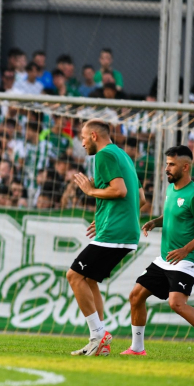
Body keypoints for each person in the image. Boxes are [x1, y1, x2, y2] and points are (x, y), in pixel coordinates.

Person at [124, 146, 194, 360]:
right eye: (166, 164)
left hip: (186, 260)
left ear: (185, 166)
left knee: (176, 303)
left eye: (171, 164)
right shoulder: (172, 189)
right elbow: (173, 214)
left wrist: (185, 249)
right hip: (165, 259)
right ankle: (136, 347)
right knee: (136, 296)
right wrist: (156, 222)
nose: (166, 169)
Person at [67, 120, 142, 356]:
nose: (81, 143)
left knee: (74, 275)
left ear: (93, 136)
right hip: (123, 229)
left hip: (116, 232)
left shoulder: (104, 156)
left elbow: (120, 191)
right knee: (89, 279)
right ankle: (100, 343)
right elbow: (141, 199)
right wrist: (104, 215)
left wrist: (90, 192)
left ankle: (98, 334)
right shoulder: (123, 156)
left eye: (83, 138)